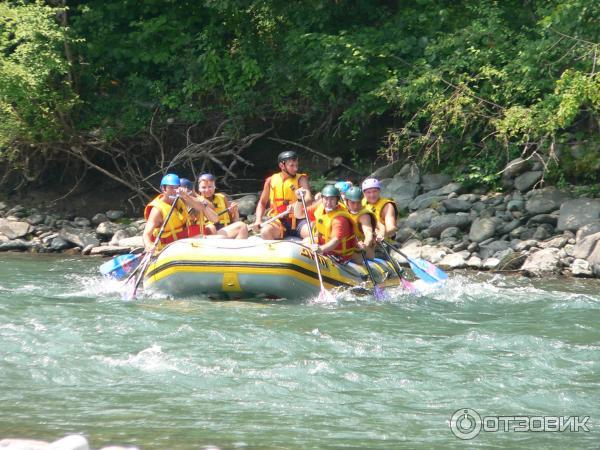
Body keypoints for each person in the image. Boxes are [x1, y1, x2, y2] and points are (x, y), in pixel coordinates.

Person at [143, 173, 219, 252]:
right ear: (163, 189)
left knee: (218, 238)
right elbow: (146, 234)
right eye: (171, 188)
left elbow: (201, 207)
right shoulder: (157, 210)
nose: (175, 191)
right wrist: (148, 244)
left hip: (182, 243)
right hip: (167, 249)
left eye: (177, 187)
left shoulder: (181, 199)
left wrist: (186, 196)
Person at [294, 185, 361, 264]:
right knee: (306, 241)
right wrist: (299, 200)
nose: (328, 203)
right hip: (325, 247)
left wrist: (321, 249)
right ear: (322, 198)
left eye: (332, 199)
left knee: (308, 244)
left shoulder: (340, 219)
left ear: (337, 200)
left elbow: (335, 241)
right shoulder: (320, 208)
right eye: (326, 199)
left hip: (339, 255)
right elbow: (298, 214)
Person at [253, 150, 312, 239]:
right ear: (282, 165)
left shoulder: (301, 179)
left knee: (311, 233)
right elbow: (262, 203)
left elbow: (308, 199)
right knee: (265, 232)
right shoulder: (270, 181)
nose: (295, 168)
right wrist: (258, 220)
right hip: (278, 220)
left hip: (299, 220)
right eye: (291, 165)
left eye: (296, 165)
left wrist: (297, 205)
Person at [188, 173, 248, 239]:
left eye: (210, 186)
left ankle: (237, 247)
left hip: (224, 231)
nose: (207, 190)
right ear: (199, 189)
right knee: (211, 227)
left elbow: (234, 220)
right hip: (208, 234)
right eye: (203, 187)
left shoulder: (222, 197)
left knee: (242, 226)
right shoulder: (195, 201)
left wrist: (235, 212)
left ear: (214, 186)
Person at [344, 186, 377, 259]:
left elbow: (368, 233)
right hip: (347, 248)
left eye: (358, 203)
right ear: (347, 201)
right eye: (352, 203)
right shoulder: (341, 210)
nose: (356, 206)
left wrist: (364, 245)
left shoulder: (364, 216)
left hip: (364, 252)